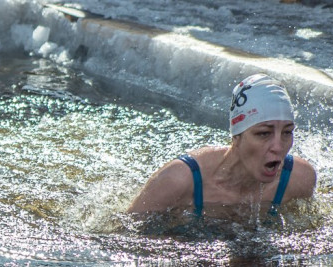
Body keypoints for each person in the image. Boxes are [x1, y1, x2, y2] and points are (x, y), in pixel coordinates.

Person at [128, 73, 316, 215]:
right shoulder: (179, 180)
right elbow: (125, 238)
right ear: (237, 136)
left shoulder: (297, 179)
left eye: (287, 132)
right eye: (264, 133)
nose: (278, 146)